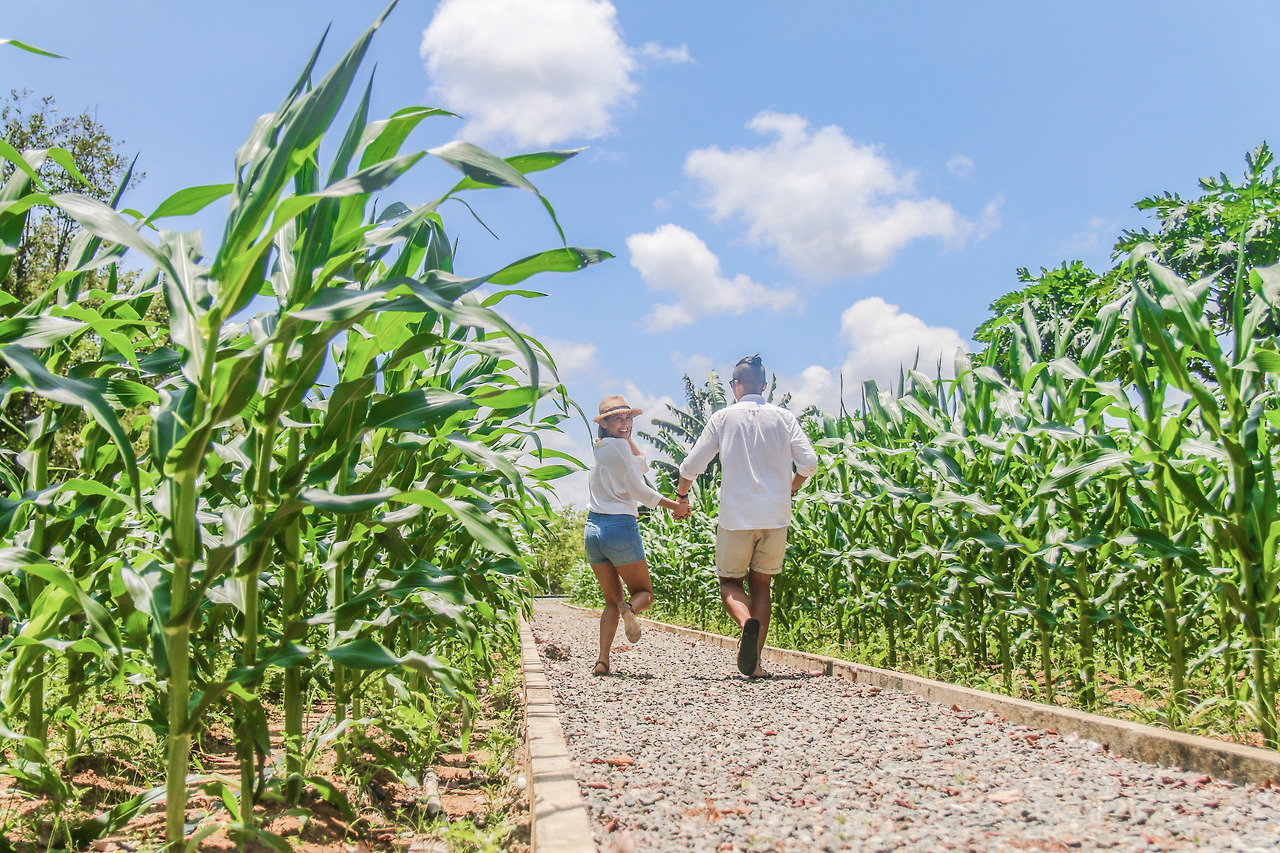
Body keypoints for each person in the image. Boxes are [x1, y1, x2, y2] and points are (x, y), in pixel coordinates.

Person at [675, 356, 818, 678]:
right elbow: (809, 463)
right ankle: (754, 664)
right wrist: (790, 489)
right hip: (775, 516)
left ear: (735, 385)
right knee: (762, 586)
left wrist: (682, 496)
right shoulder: (784, 418)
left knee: (729, 581)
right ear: (765, 386)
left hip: (736, 516)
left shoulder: (723, 418)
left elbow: (690, 466)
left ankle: (745, 623)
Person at [584, 395, 690, 676]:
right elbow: (641, 491)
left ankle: (602, 660)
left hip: (593, 530)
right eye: (617, 418)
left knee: (610, 600)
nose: (625, 423)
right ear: (603, 422)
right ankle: (629, 609)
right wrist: (676, 506)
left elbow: (640, 465)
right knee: (644, 594)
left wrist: (625, 436)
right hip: (620, 527)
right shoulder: (618, 447)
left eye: (628, 418)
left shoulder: (598, 448)